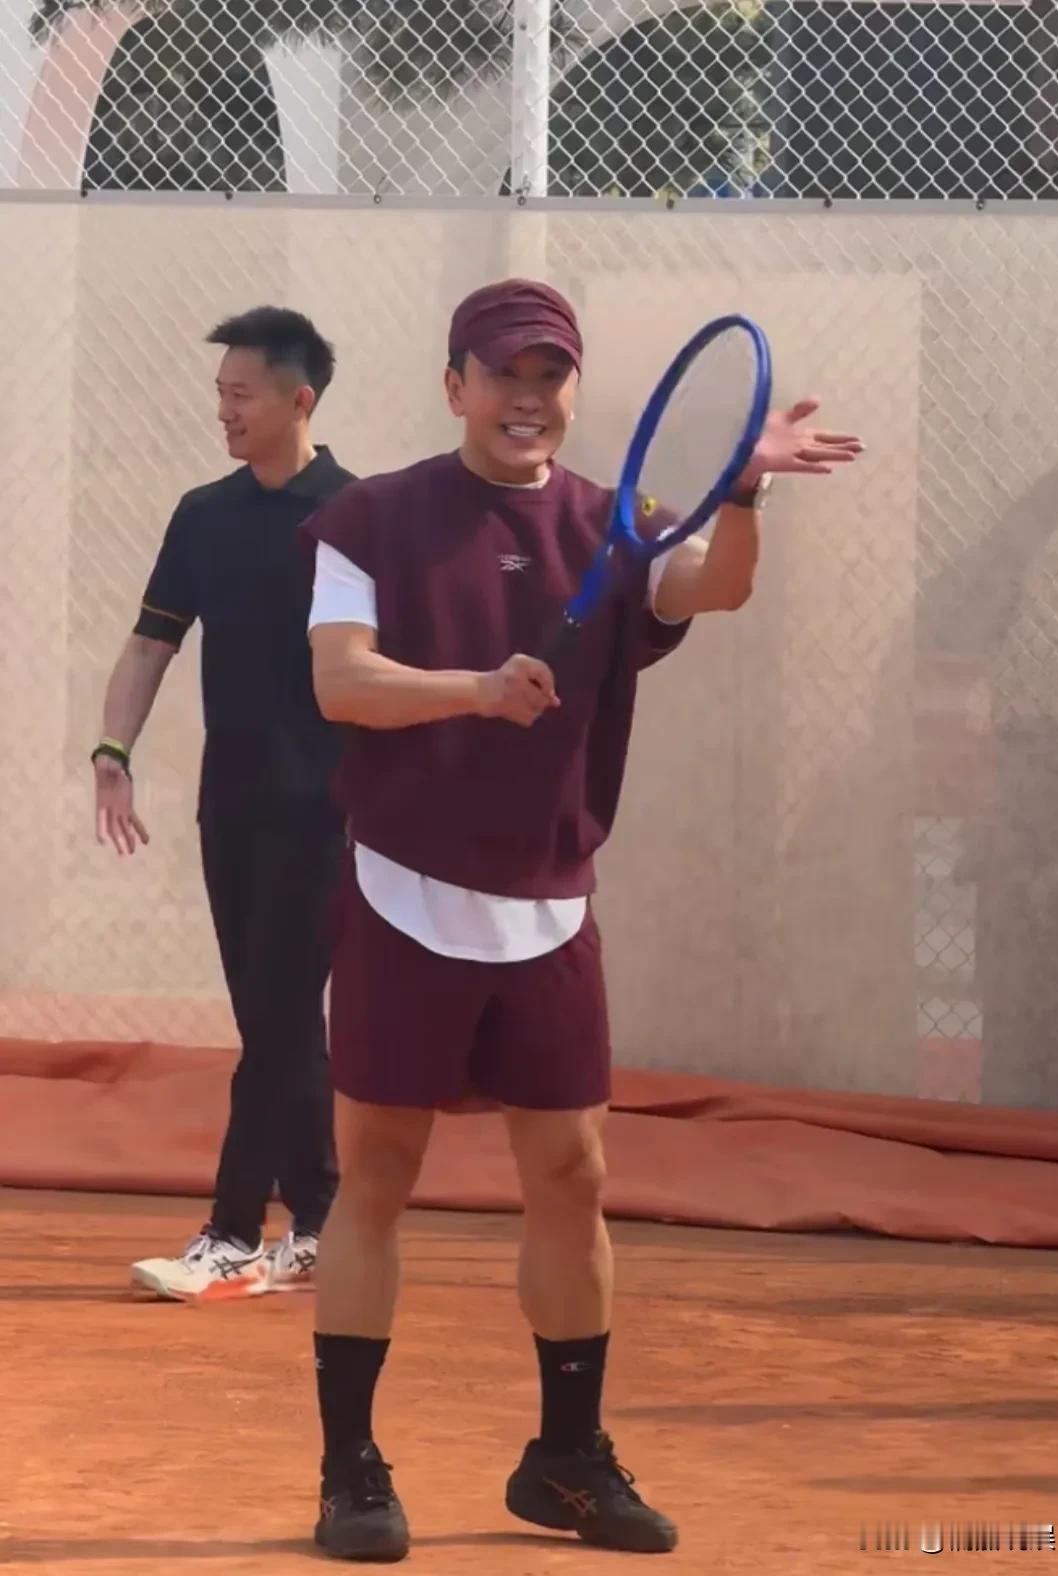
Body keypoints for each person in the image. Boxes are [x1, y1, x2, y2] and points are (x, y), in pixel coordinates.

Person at [302, 279, 863, 1560]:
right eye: (503, 373)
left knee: (573, 1175)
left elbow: (714, 589)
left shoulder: (622, 520)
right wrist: (474, 689)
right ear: (455, 385)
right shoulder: (371, 517)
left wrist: (741, 489)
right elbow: (342, 681)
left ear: (571, 388)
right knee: (376, 1175)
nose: (527, 397)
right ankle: (350, 1472)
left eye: (549, 375)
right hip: (401, 893)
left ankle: (564, 1460)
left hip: (552, 907)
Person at [93, 306, 355, 1303]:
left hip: (326, 810)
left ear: (300, 399)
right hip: (231, 807)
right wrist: (112, 750)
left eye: (241, 395)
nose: (224, 412)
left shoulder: (358, 515)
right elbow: (150, 642)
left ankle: (236, 1232)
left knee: (279, 1016)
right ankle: (322, 1221)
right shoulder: (203, 514)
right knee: (275, 1017)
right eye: (220, 394)